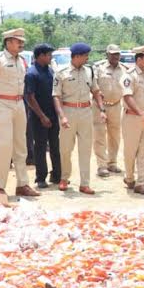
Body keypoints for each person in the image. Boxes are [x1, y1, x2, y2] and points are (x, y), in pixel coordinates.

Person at [0, 28, 40, 201]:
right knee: (4, 146)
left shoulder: (22, 60)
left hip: (19, 103)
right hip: (2, 103)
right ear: (8, 42)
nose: (21, 43)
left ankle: (22, 184)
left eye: (22, 41)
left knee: (21, 145)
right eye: (17, 40)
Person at [52, 43, 106, 194]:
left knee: (85, 149)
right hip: (68, 111)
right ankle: (64, 178)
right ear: (76, 56)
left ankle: (84, 183)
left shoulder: (89, 71)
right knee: (65, 149)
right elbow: (56, 96)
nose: (87, 58)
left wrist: (102, 109)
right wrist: (62, 116)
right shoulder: (61, 72)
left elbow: (95, 91)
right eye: (85, 55)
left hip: (85, 112)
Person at [24, 44, 61, 189]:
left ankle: (57, 175)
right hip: (38, 117)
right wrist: (42, 116)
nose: (50, 57)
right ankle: (40, 178)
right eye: (48, 55)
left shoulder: (50, 71)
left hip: (52, 114)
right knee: (40, 147)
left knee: (55, 146)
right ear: (40, 56)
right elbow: (30, 97)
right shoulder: (31, 73)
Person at [122, 44, 144, 195]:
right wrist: (142, 114)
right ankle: (129, 177)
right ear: (139, 59)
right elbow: (127, 97)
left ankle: (141, 182)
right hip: (132, 118)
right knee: (130, 151)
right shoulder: (129, 75)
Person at [92, 44, 126, 177]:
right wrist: (101, 108)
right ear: (107, 55)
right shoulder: (98, 68)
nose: (115, 56)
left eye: (117, 54)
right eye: (112, 54)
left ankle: (112, 163)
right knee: (99, 135)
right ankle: (101, 165)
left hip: (116, 106)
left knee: (115, 136)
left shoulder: (124, 69)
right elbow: (94, 88)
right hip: (99, 106)